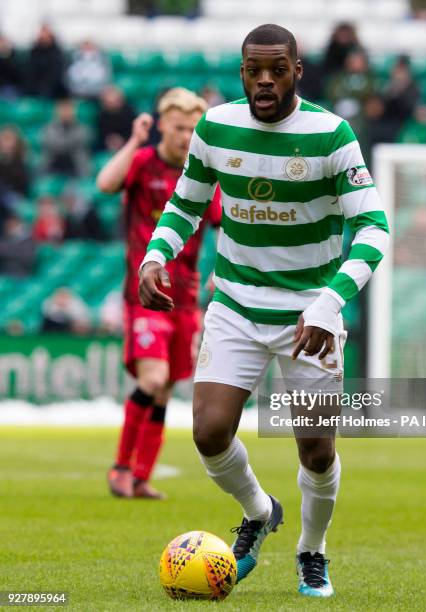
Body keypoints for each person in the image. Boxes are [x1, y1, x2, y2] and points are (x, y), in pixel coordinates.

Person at [138, 24, 389, 597]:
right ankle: (258, 510)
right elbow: (185, 204)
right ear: (242, 73)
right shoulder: (217, 126)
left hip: (310, 316)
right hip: (236, 303)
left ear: (298, 70)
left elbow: (374, 228)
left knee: (317, 449)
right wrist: (157, 254)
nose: (266, 80)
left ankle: (312, 550)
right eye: (255, 70)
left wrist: (329, 304)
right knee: (208, 430)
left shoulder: (330, 135)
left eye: (278, 69)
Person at [97, 88, 221, 500]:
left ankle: (141, 476)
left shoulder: (201, 176)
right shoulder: (143, 162)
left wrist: (222, 270)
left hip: (185, 301)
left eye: (192, 128)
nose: (186, 136)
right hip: (145, 295)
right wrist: (135, 140)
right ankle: (120, 467)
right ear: (162, 125)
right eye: (179, 127)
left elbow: (231, 227)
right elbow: (105, 183)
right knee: (154, 378)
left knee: (166, 387)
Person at [40, 99, 90, 177]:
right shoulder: (49, 128)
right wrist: (69, 143)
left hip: (75, 164)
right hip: (54, 162)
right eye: (63, 110)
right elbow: (52, 144)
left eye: (68, 110)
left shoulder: (81, 128)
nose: (66, 113)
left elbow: (83, 140)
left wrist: (63, 144)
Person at [25, 24, 67, 98]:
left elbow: (57, 73)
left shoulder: (57, 52)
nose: (44, 35)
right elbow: (30, 71)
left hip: (53, 89)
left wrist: (46, 87)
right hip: (35, 88)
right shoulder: (34, 51)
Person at [96, 85, 136, 152]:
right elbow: (101, 136)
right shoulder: (101, 116)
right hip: (107, 149)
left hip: (129, 146)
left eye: (115, 100)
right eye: (108, 102)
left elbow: (134, 134)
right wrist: (109, 140)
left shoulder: (130, 113)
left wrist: (123, 141)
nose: (112, 103)